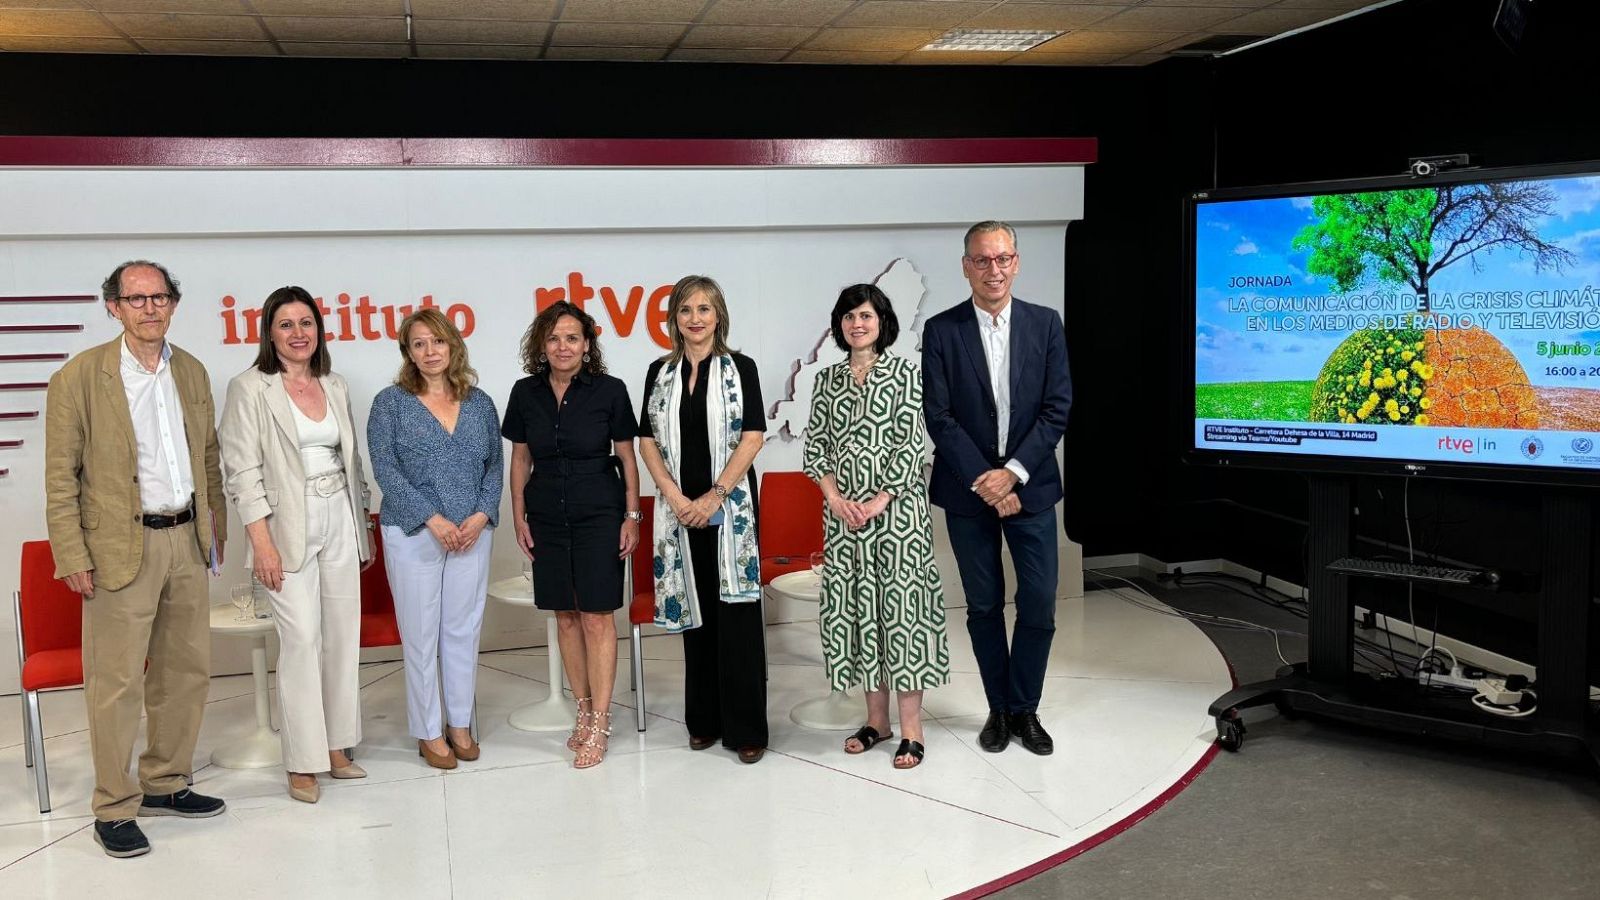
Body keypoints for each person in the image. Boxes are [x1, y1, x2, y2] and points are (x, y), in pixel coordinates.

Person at [44, 260, 228, 858]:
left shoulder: (192, 371)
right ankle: (114, 805)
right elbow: (60, 478)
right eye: (136, 298)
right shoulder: (79, 377)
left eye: (160, 297)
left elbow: (208, 460)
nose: (150, 308)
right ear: (113, 307)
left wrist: (213, 531)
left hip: (185, 540)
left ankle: (167, 782)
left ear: (174, 304)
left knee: (185, 672)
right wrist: (72, 551)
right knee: (116, 683)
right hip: (120, 547)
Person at [921, 221, 1072, 756]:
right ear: (965, 266)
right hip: (968, 494)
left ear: (1017, 262)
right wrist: (988, 481)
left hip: (1030, 490)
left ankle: (1025, 707)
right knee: (984, 606)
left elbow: (1057, 410)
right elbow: (938, 416)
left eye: (1003, 258)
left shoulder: (1045, 325)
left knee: (1038, 604)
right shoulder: (941, 331)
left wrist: (1013, 473)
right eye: (982, 260)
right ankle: (998, 709)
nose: (994, 270)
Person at [219, 286, 374, 802]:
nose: (298, 333)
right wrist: (260, 543)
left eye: (306, 322)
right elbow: (241, 473)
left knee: (340, 635)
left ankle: (336, 745)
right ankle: (302, 761)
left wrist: (362, 531)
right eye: (286, 324)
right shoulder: (250, 388)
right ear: (268, 333)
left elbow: (352, 463)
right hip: (285, 524)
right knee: (302, 638)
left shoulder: (336, 384)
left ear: (318, 329)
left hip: (339, 518)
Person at [804, 284, 949, 769]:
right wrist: (836, 499)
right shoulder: (826, 381)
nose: (856, 324)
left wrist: (879, 500)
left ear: (881, 321)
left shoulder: (907, 375)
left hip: (898, 518)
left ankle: (912, 730)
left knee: (903, 617)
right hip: (843, 521)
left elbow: (912, 445)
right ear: (839, 325)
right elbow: (816, 448)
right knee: (860, 615)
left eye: (865, 315)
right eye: (848, 316)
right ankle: (876, 722)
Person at [502, 301, 641, 769]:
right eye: (554, 338)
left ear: (587, 344)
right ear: (541, 344)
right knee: (565, 615)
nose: (563, 347)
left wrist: (632, 516)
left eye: (573, 338)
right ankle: (581, 711)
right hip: (546, 514)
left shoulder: (610, 391)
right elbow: (521, 458)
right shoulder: (526, 393)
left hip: (600, 511)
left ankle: (601, 721)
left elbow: (626, 457)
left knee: (597, 616)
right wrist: (520, 514)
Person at [637, 275, 768, 764]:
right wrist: (674, 497)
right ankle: (705, 721)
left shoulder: (741, 368)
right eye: (686, 309)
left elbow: (753, 436)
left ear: (719, 316)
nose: (695, 318)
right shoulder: (659, 371)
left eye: (705, 309)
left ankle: (747, 728)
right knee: (697, 613)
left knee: (735, 613)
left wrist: (713, 496)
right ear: (674, 317)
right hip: (678, 512)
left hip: (728, 509)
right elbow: (646, 439)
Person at [367, 308, 502, 769]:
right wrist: (433, 519)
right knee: (421, 636)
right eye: (419, 343)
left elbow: (494, 467)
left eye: (437, 342)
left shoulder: (480, 402)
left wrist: (483, 514)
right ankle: (428, 730)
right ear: (408, 351)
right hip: (413, 533)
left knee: (462, 630)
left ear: (453, 346)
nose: (430, 352)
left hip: (472, 533)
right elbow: (386, 469)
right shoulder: (390, 403)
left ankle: (459, 724)